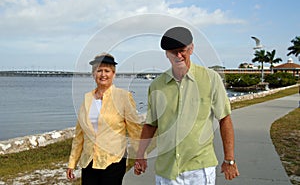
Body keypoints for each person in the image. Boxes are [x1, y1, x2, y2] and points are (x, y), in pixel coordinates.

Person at [134, 27, 239, 184]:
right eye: (172, 52)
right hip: (166, 170)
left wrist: (229, 159)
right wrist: (140, 155)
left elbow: (224, 119)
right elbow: (151, 124)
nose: (178, 56)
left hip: (200, 168)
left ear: (191, 49)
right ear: (166, 54)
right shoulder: (156, 85)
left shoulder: (211, 79)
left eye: (182, 50)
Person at [67, 53, 143, 185]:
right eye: (99, 70)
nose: (103, 74)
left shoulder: (123, 97)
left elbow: (135, 130)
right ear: (93, 74)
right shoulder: (87, 99)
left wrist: (140, 157)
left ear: (113, 74)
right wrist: (72, 163)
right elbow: (79, 135)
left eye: (107, 71)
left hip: (113, 161)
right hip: (89, 161)